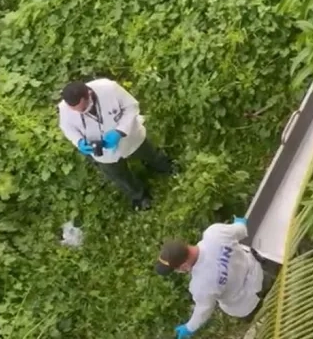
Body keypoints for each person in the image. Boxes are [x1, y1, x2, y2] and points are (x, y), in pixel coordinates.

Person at [57, 79, 173, 210]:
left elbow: (131, 107)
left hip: (128, 136)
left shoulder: (109, 88)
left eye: (83, 108)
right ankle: (139, 196)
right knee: (118, 175)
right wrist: (79, 141)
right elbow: (67, 127)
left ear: (88, 94)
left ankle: (164, 166)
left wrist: (120, 131)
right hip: (102, 151)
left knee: (148, 152)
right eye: (76, 111)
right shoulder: (64, 107)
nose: (81, 112)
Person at [155, 217, 278, 338]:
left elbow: (204, 309)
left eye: (176, 270)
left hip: (248, 306)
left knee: (274, 322)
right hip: (261, 275)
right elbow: (241, 230)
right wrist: (239, 223)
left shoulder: (199, 286)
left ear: (184, 266)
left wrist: (189, 327)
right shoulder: (215, 233)